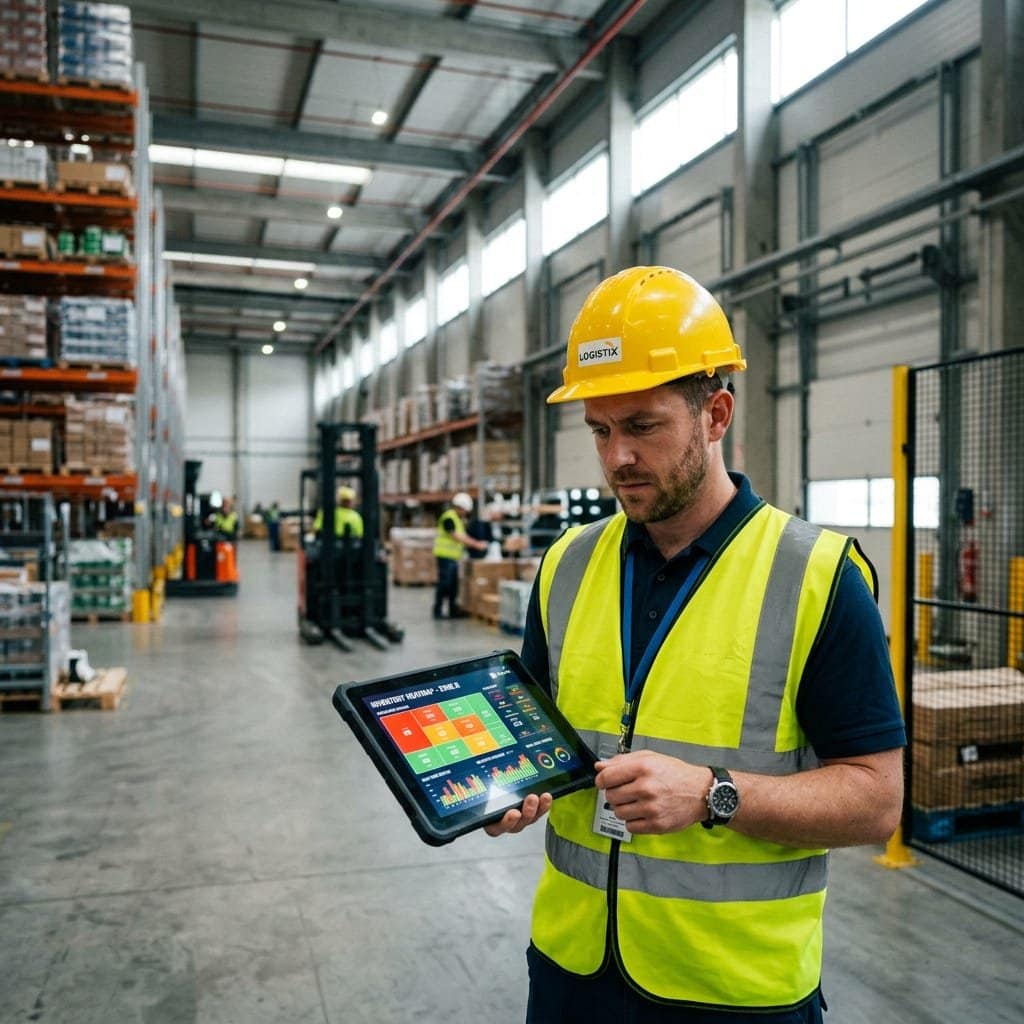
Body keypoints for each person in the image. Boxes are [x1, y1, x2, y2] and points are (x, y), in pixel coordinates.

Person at [485, 266, 906, 1023]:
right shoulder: (567, 564)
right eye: (601, 430)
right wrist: (501, 786)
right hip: (572, 970)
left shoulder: (816, 576)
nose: (617, 457)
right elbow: (536, 734)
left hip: (732, 991)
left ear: (715, 414)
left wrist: (713, 793)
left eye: (642, 426)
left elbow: (876, 801)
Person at [432, 491, 487, 619]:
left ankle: (453, 611)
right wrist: (476, 544)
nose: (465, 513)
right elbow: (457, 536)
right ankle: (437, 610)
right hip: (445, 556)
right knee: (444, 584)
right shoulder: (449, 518)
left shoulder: (457, 519)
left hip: (454, 557)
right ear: (460, 507)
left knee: (453, 585)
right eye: (465, 510)